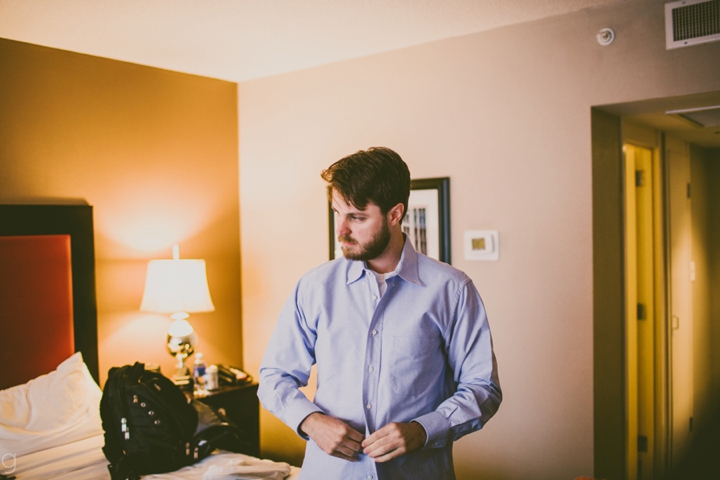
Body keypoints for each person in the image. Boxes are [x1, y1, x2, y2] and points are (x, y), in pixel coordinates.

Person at [258, 147, 501, 480]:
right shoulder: (314, 287)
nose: (341, 229)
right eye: (336, 213)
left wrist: (423, 430)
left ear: (395, 213)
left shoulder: (452, 290)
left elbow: (483, 387)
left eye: (356, 217)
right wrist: (310, 421)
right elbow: (274, 376)